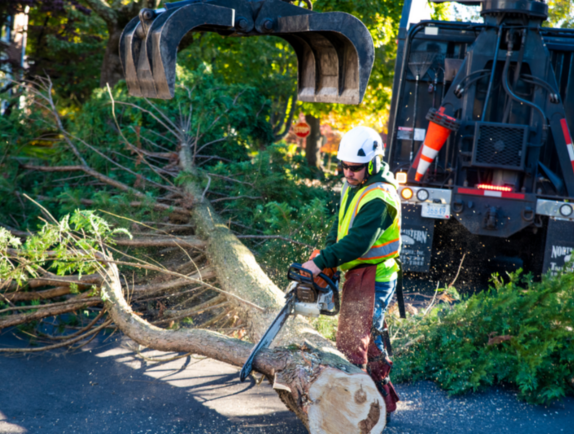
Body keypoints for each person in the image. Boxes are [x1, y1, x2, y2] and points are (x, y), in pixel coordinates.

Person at [302, 126, 401, 417]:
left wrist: (321, 263)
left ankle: (359, 408)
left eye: (355, 167)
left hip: (375, 277)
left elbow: (359, 242)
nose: (348, 172)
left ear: (372, 163)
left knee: (355, 343)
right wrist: (327, 254)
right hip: (357, 273)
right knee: (360, 341)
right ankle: (379, 402)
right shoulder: (355, 185)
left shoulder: (380, 196)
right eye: (344, 166)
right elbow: (340, 226)